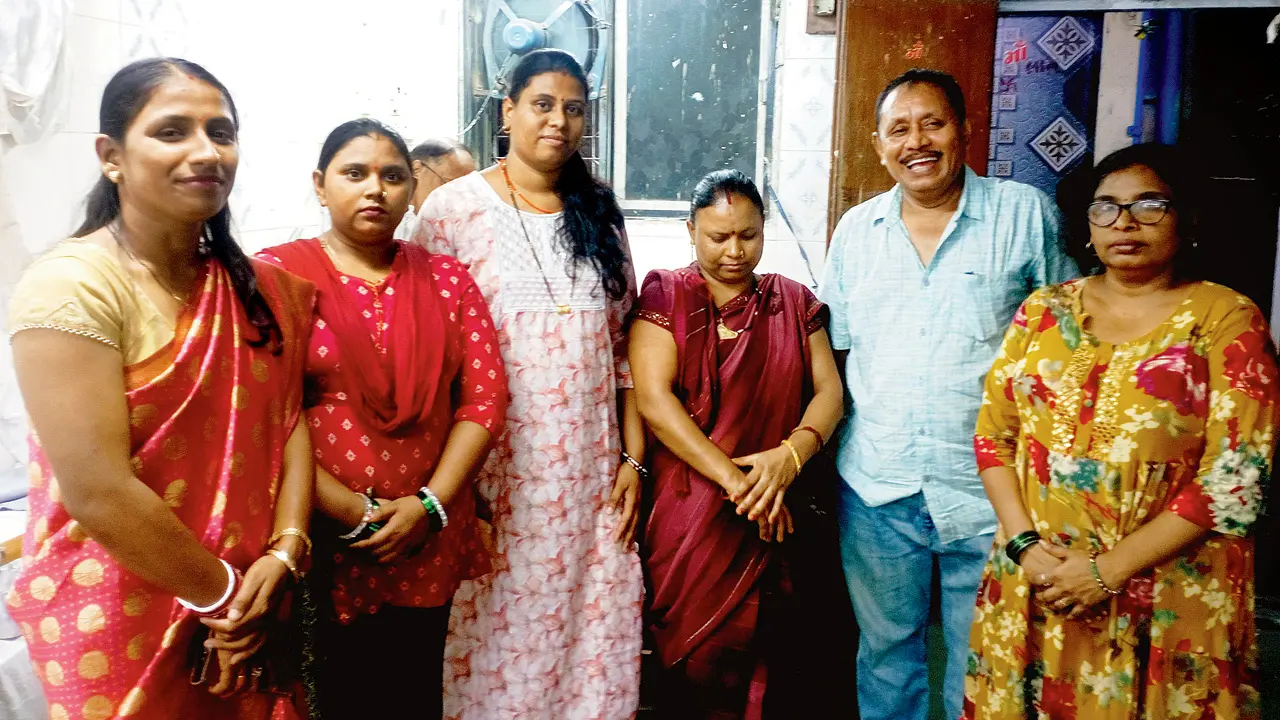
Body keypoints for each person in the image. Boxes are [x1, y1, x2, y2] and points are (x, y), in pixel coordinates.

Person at [5, 58, 315, 719]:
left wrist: (285, 555)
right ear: (111, 156)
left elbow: (289, 423)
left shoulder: (256, 290)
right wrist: (228, 600)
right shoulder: (74, 284)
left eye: (221, 132)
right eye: (172, 131)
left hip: (250, 599)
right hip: (119, 611)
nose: (206, 151)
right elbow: (99, 492)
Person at [964, 143, 1273, 719]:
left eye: (1149, 205)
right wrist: (1025, 547)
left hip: (1167, 594)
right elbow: (993, 437)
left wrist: (1106, 571)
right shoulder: (1043, 312)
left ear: (1188, 217)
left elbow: (1235, 480)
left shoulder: (1225, 318)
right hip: (1038, 583)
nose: (1124, 222)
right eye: (1104, 207)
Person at [818, 67, 1077, 720]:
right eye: (898, 129)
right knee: (885, 650)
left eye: (932, 123)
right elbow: (839, 347)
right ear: (879, 145)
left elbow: (1067, 345)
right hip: (879, 483)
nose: (917, 142)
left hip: (992, 489)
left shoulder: (1024, 215)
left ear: (965, 129)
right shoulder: (856, 232)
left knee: (983, 654)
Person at [411, 48, 645, 719]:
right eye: (542, 104)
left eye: (574, 109)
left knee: (591, 647)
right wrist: (454, 494)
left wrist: (632, 458)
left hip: (590, 485)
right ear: (507, 109)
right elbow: (433, 359)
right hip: (495, 485)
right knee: (494, 646)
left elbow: (622, 350)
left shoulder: (600, 212)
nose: (559, 121)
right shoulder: (453, 211)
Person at [257, 119, 505, 719]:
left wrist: (431, 505)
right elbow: (267, 419)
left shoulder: (446, 279)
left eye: (393, 176)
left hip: (430, 533)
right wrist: (357, 513)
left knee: (414, 690)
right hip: (323, 536)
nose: (376, 189)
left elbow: (485, 398)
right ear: (320, 185)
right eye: (354, 173)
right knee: (331, 695)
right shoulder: (276, 279)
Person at [630, 170, 844, 718]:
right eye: (717, 236)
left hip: (776, 503)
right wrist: (737, 482)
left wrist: (791, 455)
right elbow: (654, 402)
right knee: (694, 666)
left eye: (747, 235)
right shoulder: (665, 293)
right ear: (690, 231)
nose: (733, 250)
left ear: (764, 230)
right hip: (691, 513)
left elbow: (830, 394)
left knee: (771, 664)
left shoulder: (793, 302)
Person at [395, 138, 476, 240]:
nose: (461, 197)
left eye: (468, 189)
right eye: (449, 184)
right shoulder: (392, 221)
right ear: (416, 169)